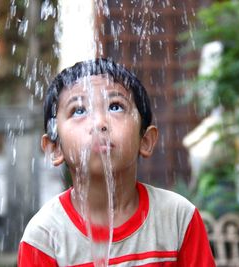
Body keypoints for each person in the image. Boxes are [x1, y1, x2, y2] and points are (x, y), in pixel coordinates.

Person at [18, 58, 215, 266]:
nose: (99, 122)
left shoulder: (178, 219)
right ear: (55, 148)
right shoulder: (45, 237)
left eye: (115, 107)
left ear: (145, 140)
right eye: (78, 110)